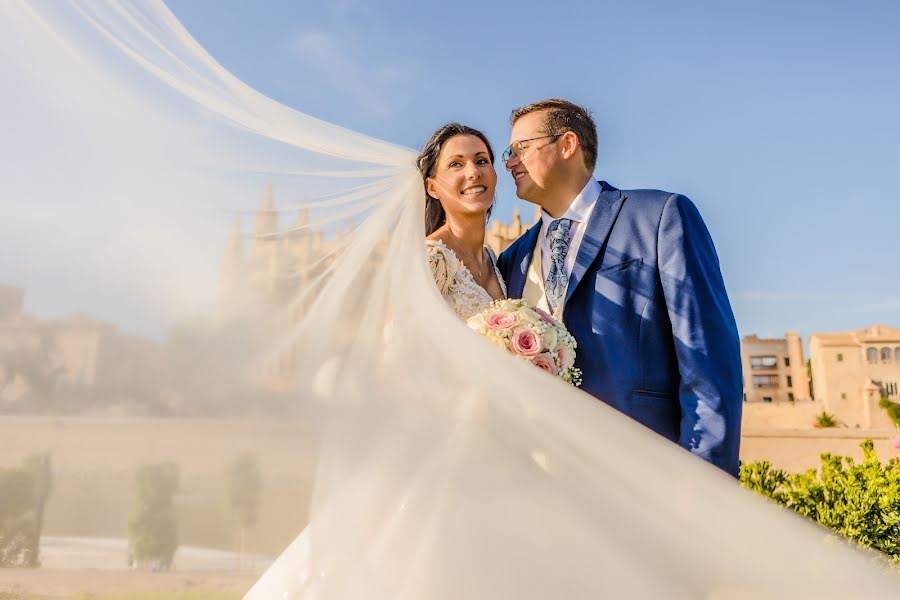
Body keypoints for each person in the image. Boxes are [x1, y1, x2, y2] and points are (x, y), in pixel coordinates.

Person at [497, 98, 743, 475]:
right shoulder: (512, 258)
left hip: (645, 478)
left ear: (567, 145)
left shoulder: (659, 217)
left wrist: (704, 485)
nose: (510, 162)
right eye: (507, 153)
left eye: (521, 149)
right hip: (540, 484)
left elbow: (708, 364)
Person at [417, 123, 506, 320]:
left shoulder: (494, 259)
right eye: (456, 164)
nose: (473, 172)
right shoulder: (429, 259)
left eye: (482, 161)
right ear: (432, 188)